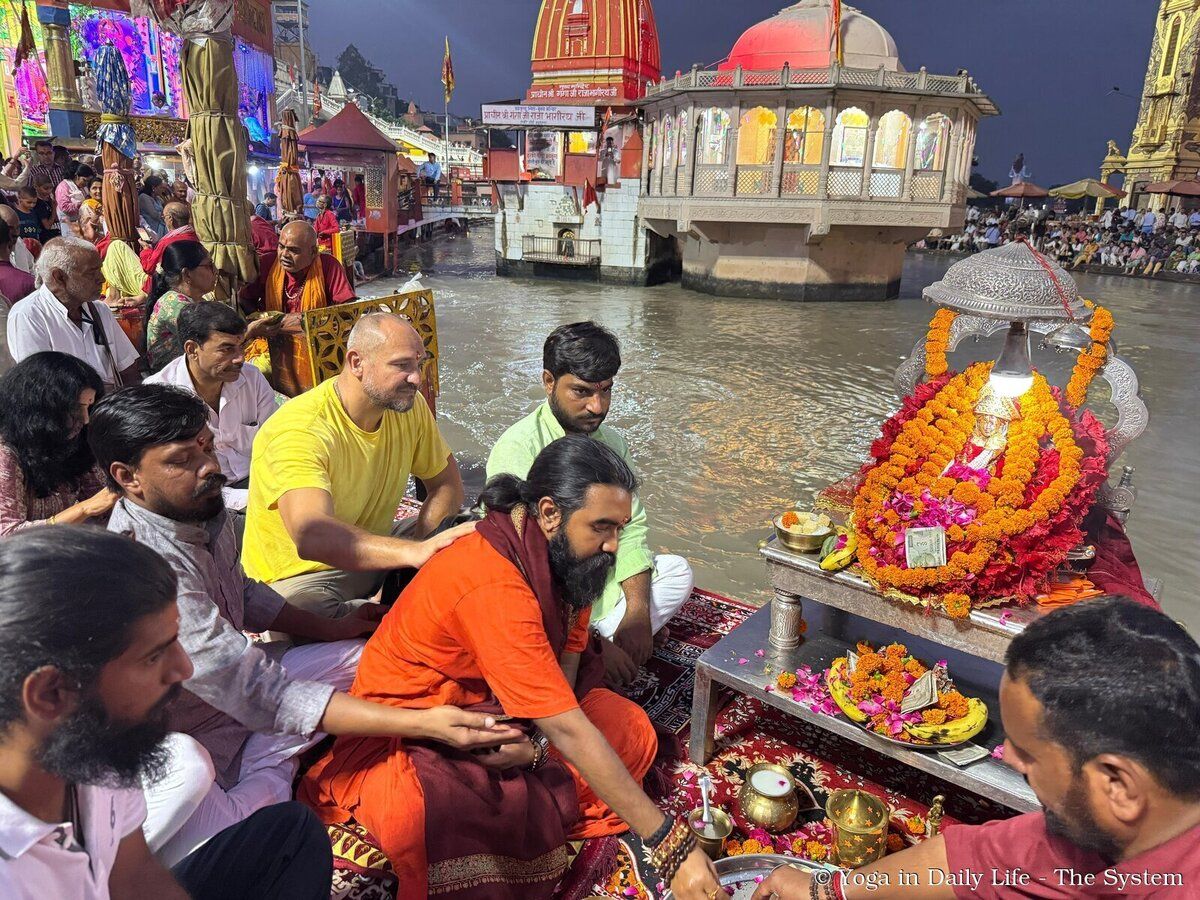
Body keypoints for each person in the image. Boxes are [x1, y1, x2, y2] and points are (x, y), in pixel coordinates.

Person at [89, 385, 521, 865]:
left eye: (207, 447)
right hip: (180, 734)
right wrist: (422, 724)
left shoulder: (200, 510)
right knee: (243, 816)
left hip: (238, 695)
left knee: (370, 656)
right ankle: (262, 776)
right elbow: (257, 691)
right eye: (181, 460)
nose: (208, 467)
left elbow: (243, 593)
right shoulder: (146, 571)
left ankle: (273, 760)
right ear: (128, 477)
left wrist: (332, 628)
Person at [300, 436, 721, 899]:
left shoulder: (569, 560)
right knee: (436, 818)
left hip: (508, 712)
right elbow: (566, 726)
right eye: (601, 527)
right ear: (549, 513)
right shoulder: (495, 584)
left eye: (619, 528)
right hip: (417, 731)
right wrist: (667, 840)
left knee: (630, 728)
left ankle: (537, 783)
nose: (613, 545)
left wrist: (536, 747)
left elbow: (568, 663)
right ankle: (533, 796)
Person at [754, 596, 1200, 900]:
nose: (1009, 758)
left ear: (1118, 784)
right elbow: (979, 859)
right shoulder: (1094, 825)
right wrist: (825, 890)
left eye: (1029, 753)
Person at [0, 526, 337, 900]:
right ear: (51, 694)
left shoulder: (93, 752)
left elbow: (135, 877)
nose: (184, 669)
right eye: (153, 656)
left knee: (290, 834)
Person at [488, 322, 693, 687]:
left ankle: (600, 643)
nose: (597, 406)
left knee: (677, 572)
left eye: (606, 390)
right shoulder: (517, 449)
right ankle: (585, 653)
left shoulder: (612, 443)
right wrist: (587, 642)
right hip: (542, 594)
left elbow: (630, 528)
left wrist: (637, 614)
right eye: (581, 392)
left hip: (595, 582)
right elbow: (522, 560)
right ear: (549, 382)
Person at [243, 313, 467, 617]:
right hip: (304, 575)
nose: (416, 378)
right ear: (356, 362)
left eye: (419, 364)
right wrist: (413, 553)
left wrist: (422, 546)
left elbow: (446, 484)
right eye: (402, 365)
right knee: (308, 613)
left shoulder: (408, 407)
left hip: (375, 551)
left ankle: (392, 597)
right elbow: (312, 536)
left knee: (468, 534)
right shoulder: (300, 430)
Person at [146, 302, 279, 510]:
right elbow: (180, 478)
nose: (240, 358)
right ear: (192, 349)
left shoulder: (252, 378)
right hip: (203, 499)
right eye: (226, 349)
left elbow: (275, 441)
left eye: (241, 346)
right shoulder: (160, 395)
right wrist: (252, 499)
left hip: (261, 483)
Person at [0, 351, 115, 535]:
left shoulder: (73, 439)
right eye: (76, 409)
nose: (85, 419)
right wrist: (84, 509)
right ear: (42, 408)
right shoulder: (6, 453)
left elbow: (102, 502)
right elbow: (8, 534)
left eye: (89, 407)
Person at [7, 236, 141, 390]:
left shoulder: (100, 310)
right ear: (59, 277)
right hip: (65, 405)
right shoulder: (28, 316)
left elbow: (128, 369)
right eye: (91, 273)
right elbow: (40, 386)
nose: (102, 279)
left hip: (108, 402)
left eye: (100, 270)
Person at [241, 220, 355, 323]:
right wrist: (262, 320)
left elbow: (348, 307)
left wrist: (304, 320)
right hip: (272, 334)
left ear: (313, 252)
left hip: (315, 334)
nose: (284, 254)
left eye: (293, 250)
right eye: (281, 247)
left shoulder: (328, 265)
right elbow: (245, 299)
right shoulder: (267, 263)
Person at [144, 240, 217, 372]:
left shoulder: (196, 299)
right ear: (187, 274)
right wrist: (249, 331)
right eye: (209, 266)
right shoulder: (174, 303)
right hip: (174, 377)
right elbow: (211, 338)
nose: (215, 271)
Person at [139, 201, 196, 278]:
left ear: (170, 218)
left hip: (168, 282)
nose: (164, 220)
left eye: (164, 217)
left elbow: (149, 268)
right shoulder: (193, 235)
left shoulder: (166, 243)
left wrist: (146, 248)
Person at [54, 161, 94, 235]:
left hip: (83, 224)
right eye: (84, 180)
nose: (86, 183)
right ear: (77, 176)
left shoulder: (83, 188)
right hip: (69, 225)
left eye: (88, 181)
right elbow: (64, 207)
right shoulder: (63, 187)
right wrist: (82, 204)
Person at [0, 219, 33, 306]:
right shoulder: (28, 284)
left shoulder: (28, 282)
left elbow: (32, 266)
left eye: (18, 227)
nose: (16, 232)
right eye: (11, 228)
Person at [139, 175, 168, 240]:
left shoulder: (158, 198)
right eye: (160, 187)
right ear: (153, 188)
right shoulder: (144, 197)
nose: (162, 190)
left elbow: (166, 207)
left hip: (161, 229)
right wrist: (165, 214)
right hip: (152, 231)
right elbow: (154, 215)